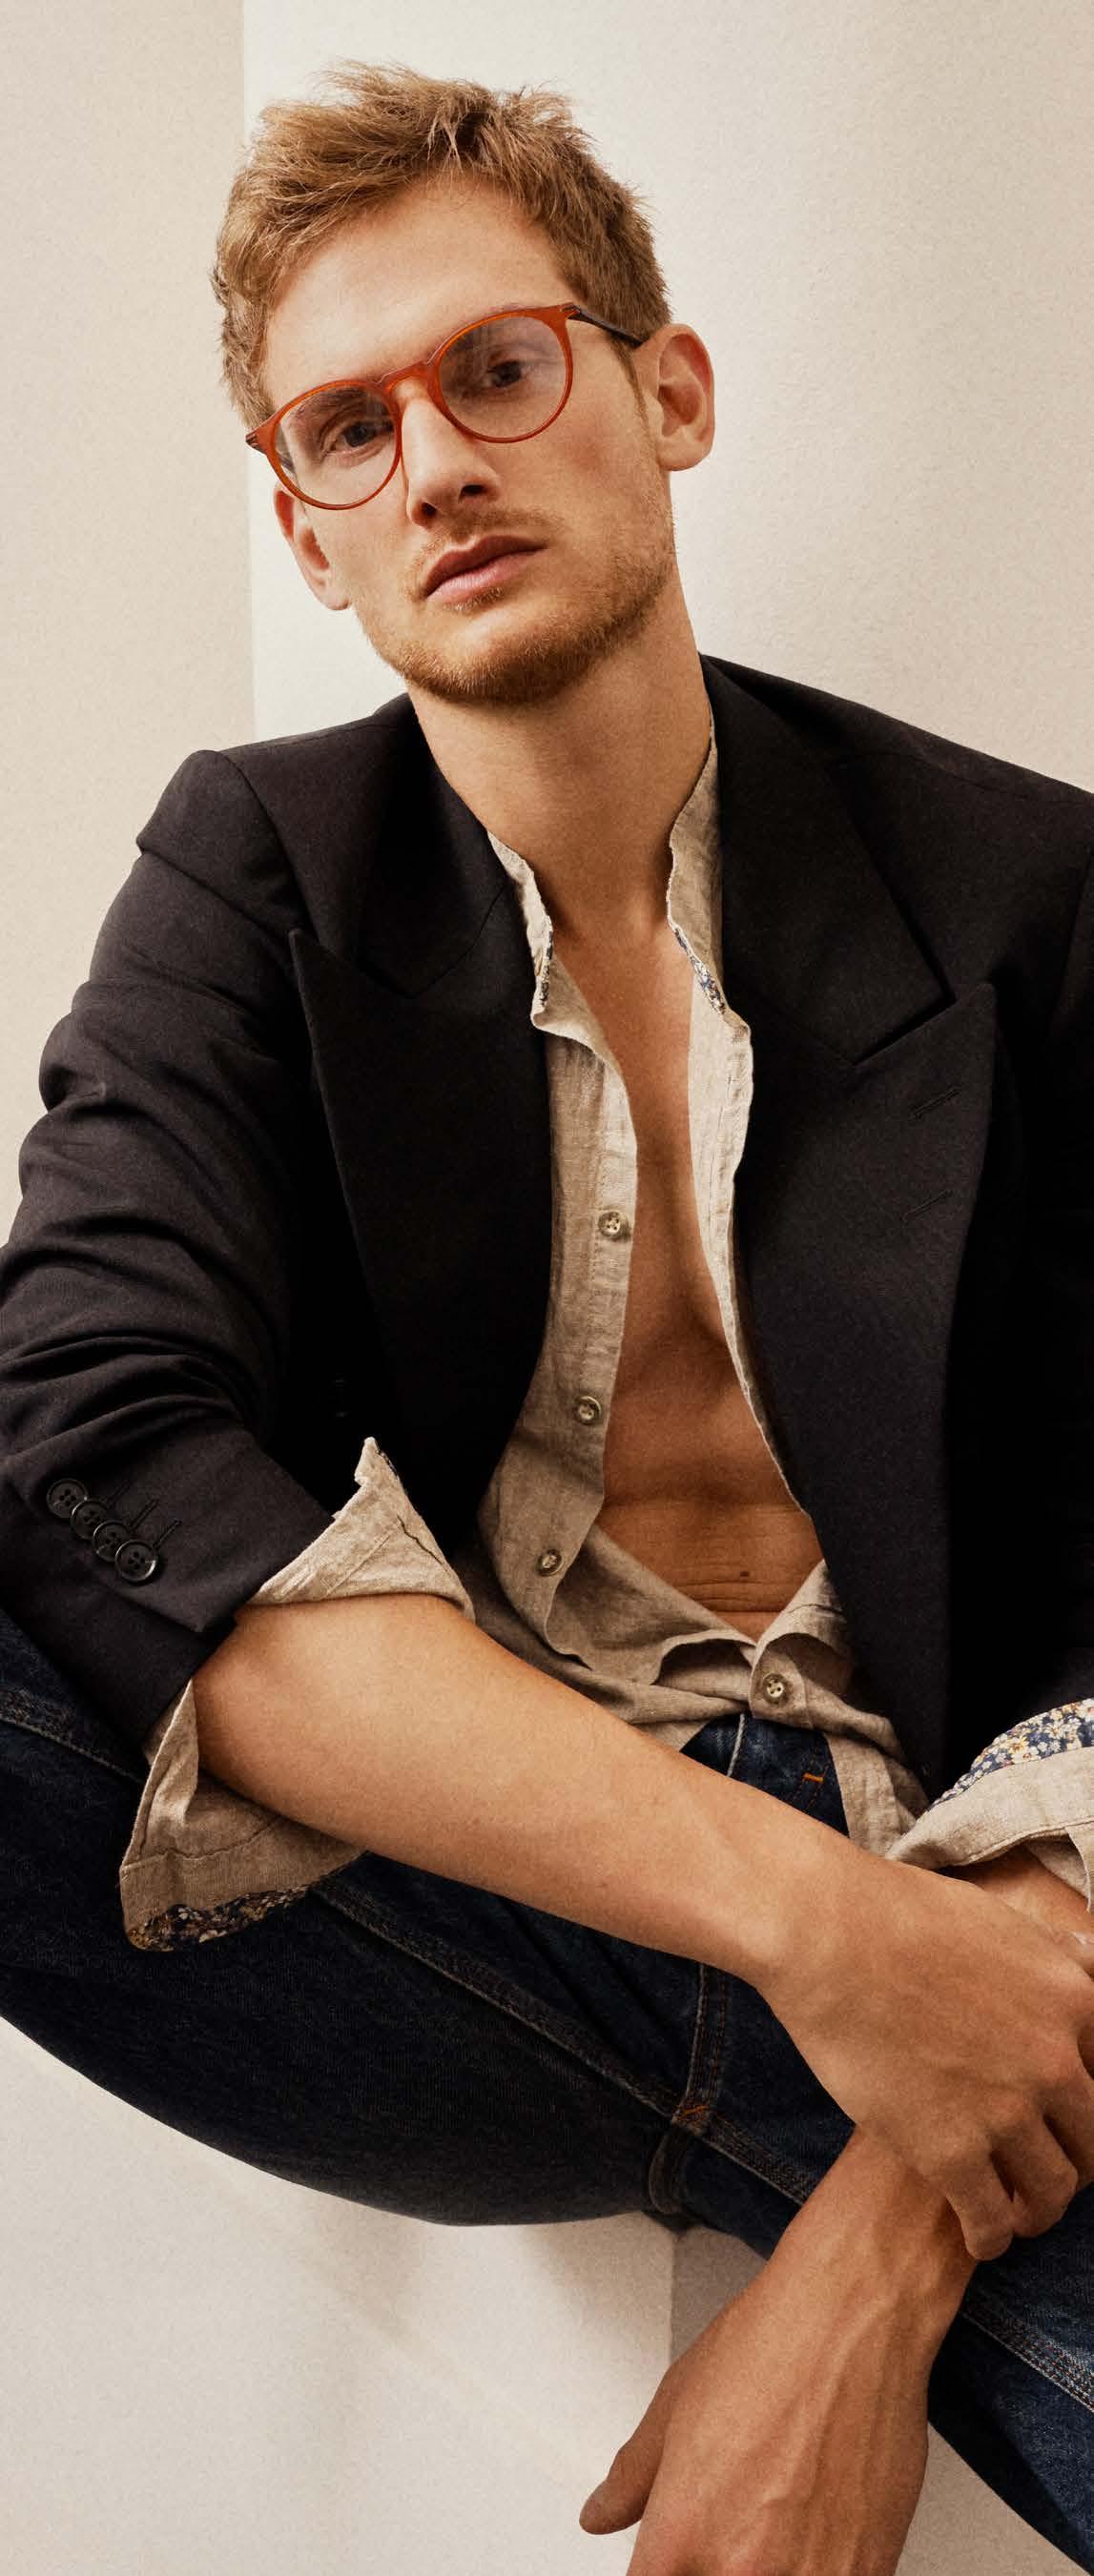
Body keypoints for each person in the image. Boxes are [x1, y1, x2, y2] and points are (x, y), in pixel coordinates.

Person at [2, 61, 1093, 2573]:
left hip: (954, 1867)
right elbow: (94, 1444)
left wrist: (888, 2219)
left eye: (499, 370)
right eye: (348, 430)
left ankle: (811, 2135)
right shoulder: (257, 871)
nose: (434, 468)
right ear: (302, 524)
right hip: (502, 1905)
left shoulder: (1027, 898)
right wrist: (809, 1934)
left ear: (665, 390)